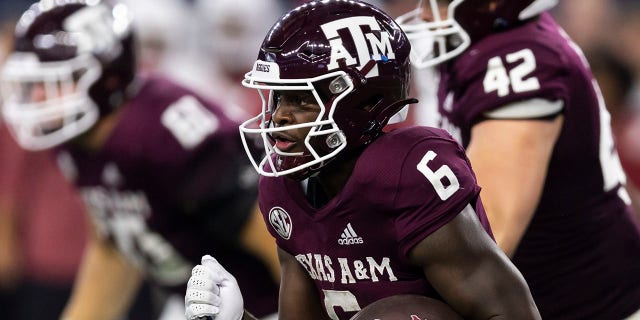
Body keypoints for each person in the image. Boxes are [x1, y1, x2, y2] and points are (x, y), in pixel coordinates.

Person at [184, 1, 541, 320]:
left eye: (302, 100)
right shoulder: (283, 188)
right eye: (278, 98)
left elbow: (511, 312)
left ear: (363, 103)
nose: (279, 117)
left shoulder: (406, 175)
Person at [0, 0, 280, 319]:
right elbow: (114, 242)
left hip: (262, 305)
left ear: (107, 78)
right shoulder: (78, 136)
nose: (38, 97)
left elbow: (278, 236)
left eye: (56, 82)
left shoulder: (164, 134)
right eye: (34, 84)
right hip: (197, 299)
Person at [395, 0, 640, 318]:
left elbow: (483, 237)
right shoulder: (481, 45)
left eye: (440, 2)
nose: (425, 12)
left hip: (590, 307)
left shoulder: (518, 60)